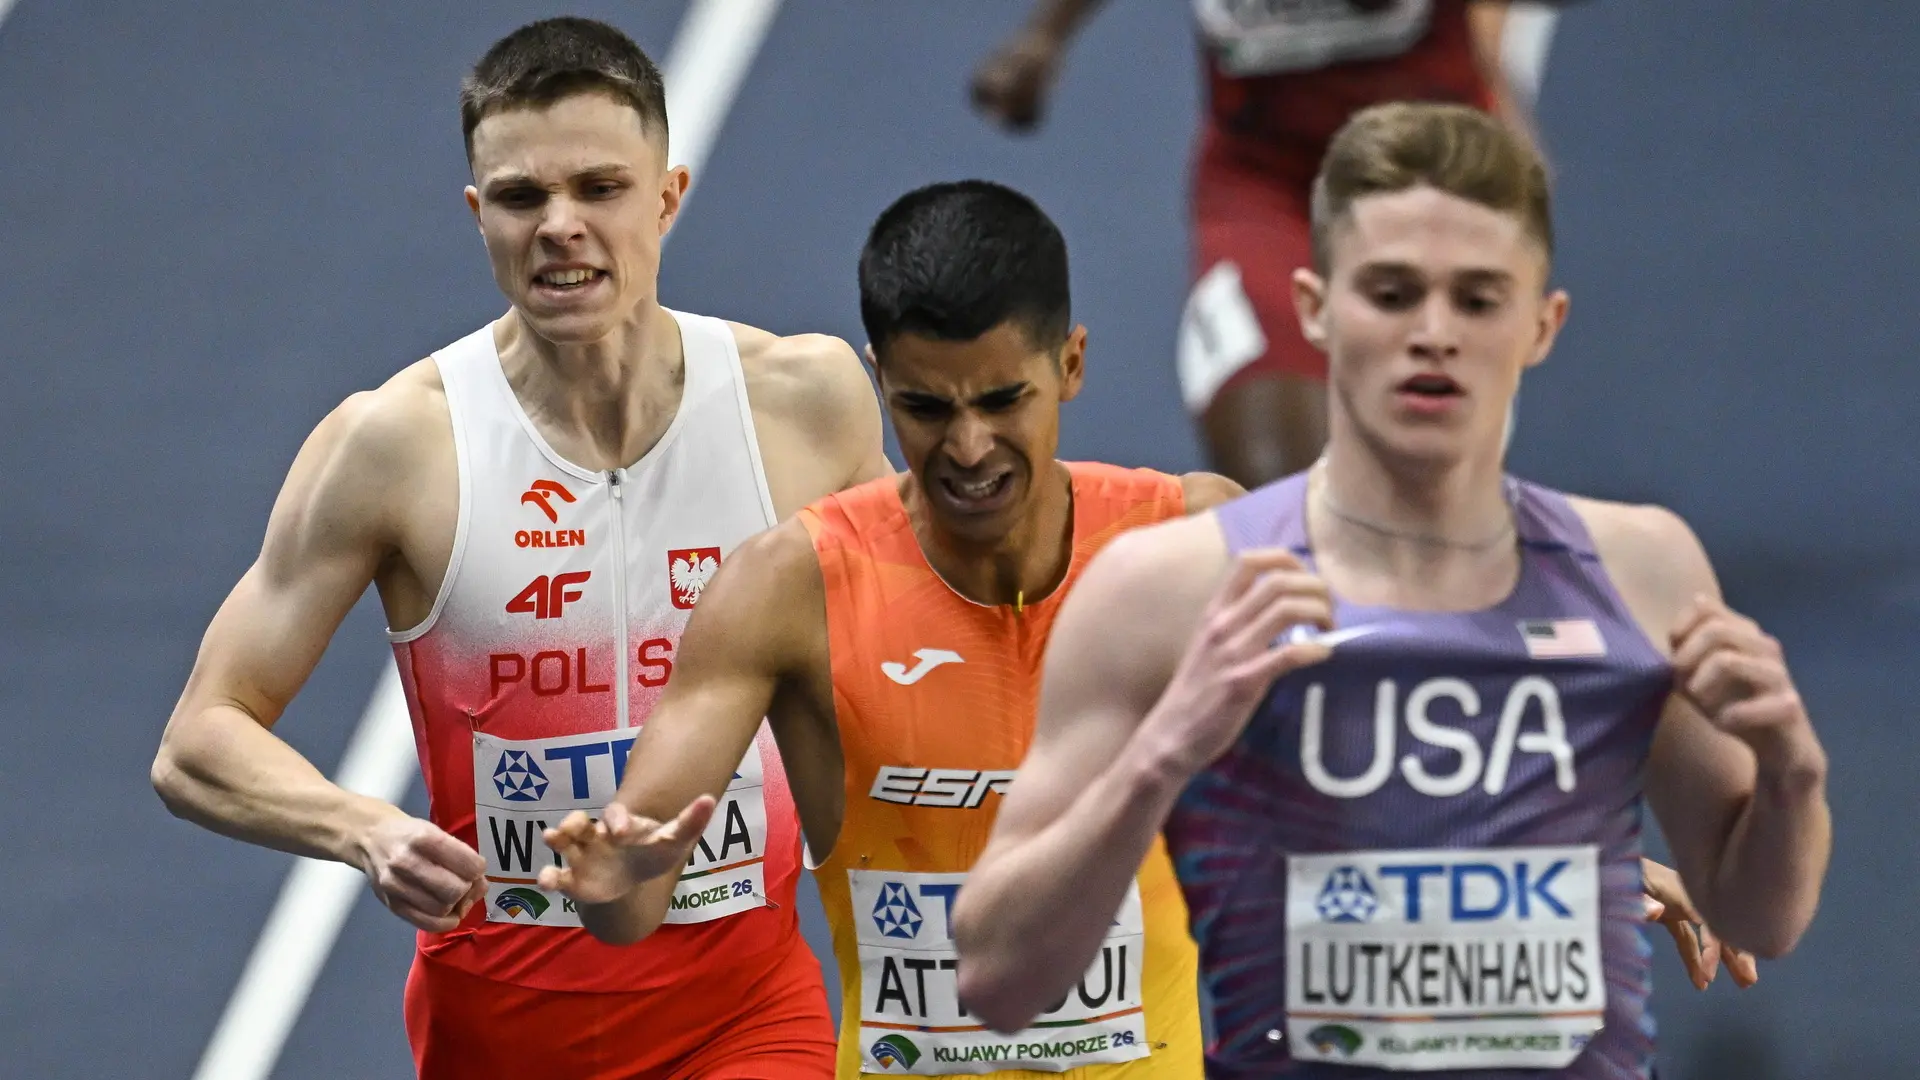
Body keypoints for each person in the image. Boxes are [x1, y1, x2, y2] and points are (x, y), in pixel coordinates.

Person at [950, 102, 1827, 1078]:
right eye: (1393, 293)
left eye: (1478, 299)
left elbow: (1762, 917)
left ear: (1543, 323)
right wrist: (1164, 753)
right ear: (1316, 307)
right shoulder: (1173, 591)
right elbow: (995, 981)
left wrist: (1792, 770)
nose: (1434, 334)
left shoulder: (1642, 568)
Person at [149, 17, 889, 1079]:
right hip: (500, 1034)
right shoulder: (397, 445)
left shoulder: (802, 405)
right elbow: (198, 741)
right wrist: (363, 828)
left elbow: (929, 628)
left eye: (600, 188)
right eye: (521, 197)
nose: (561, 227)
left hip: (747, 1020)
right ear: (477, 215)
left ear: (669, 197)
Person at [537, 178, 1223, 1077]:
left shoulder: (1191, 549)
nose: (970, 449)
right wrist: (612, 882)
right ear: (881, 380)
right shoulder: (789, 589)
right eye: (927, 410)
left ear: (1072, 365)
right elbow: (632, 897)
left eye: (1003, 400)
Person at [972, 0, 1549, 488]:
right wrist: (1044, 37)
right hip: (1264, 182)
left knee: (1416, 483)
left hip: (1429, 175)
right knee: (1279, 481)